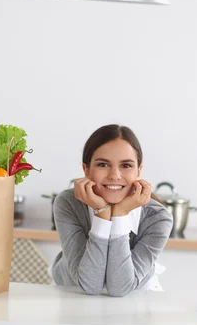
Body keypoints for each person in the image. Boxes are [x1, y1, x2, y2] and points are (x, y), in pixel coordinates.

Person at [51, 124, 173, 296]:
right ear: (86, 170)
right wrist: (103, 214)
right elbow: (89, 285)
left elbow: (120, 288)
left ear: (139, 171)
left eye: (126, 166)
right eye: (103, 164)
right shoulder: (68, 203)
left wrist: (120, 215)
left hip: (136, 302)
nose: (115, 175)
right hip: (72, 295)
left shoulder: (158, 218)